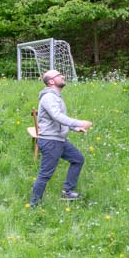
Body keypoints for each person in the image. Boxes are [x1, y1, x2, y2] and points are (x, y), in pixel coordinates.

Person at [28, 69, 92, 207]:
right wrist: (79, 123)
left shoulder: (56, 96)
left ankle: (67, 191)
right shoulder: (48, 97)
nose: (62, 76)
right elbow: (57, 116)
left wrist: (75, 128)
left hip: (59, 140)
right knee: (45, 175)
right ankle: (34, 205)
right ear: (51, 81)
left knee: (78, 159)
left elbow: (57, 120)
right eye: (58, 75)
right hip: (51, 141)